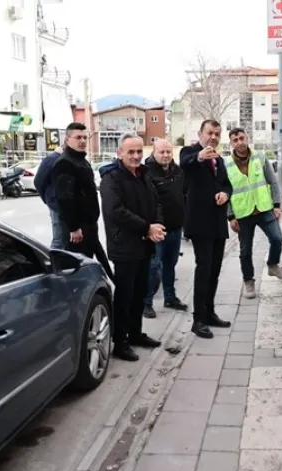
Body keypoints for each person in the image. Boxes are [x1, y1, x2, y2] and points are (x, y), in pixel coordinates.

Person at [99, 134, 165, 361]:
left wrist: (156, 225)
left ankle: (136, 333)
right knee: (125, 295)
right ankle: (120, 342)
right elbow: (115, 211)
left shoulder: (144, 174)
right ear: (120, 153)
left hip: (144, 244)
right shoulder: (111, 178)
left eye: (139, 152)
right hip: (124, 246)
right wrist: (147, 227)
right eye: (131, 152)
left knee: (139, 292)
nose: (136, 156)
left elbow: (155, 202)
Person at [179, 120, 234, 339]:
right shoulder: (190, 152)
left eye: (217, 134)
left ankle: (210, 312)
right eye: (210, 133)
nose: (213, 137)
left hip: (218, 223)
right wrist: (199, 156)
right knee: (204, 269)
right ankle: (198, 319)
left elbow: (227, 184)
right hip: (200, 223)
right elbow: (184, 163)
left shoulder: (219, 160)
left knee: (215, 270)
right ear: (200, 133)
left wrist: (225, 194)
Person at [225, 128, 282, 299]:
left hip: (264, 208)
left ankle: (273, 265)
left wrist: (276, 205)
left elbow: (273, 181)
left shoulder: (259, 156)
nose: (239, 142)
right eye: (235, 140)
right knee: (245, 251)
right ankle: (249, 282)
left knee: (277, 238)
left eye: (242, 138)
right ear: (231, 143)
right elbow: (226, 191)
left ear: (247, 138)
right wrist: (230, 216)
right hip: (243, 213)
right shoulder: (227, 163)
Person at [53, 122, 113, 279]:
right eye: (78, 137)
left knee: (90, 264)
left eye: (85, 137)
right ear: (67, 140)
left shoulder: (81, 160)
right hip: (77, 230)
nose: (82, 141)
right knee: (78, 271)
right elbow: (64, 197)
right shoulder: (65, 163)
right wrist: (73, 227)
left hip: (89, 226)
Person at [143, 139, 189, 318]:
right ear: (154, 152)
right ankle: (146, 303)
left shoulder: (177, 171)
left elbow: (182, 195)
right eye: (162, 152)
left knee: (170, 264)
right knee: (153, 267)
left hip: (176, 226)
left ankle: (170, 297)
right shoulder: (147, 172)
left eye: (168, 152)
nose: (165, 155)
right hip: (157, 228)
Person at [34, 145, 64, 248]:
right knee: (59, 239)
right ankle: (53, 262)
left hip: (64, 205)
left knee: (63, 239)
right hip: (57, 205)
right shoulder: (51, 159)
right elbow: (38, 181)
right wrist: (48, 200)